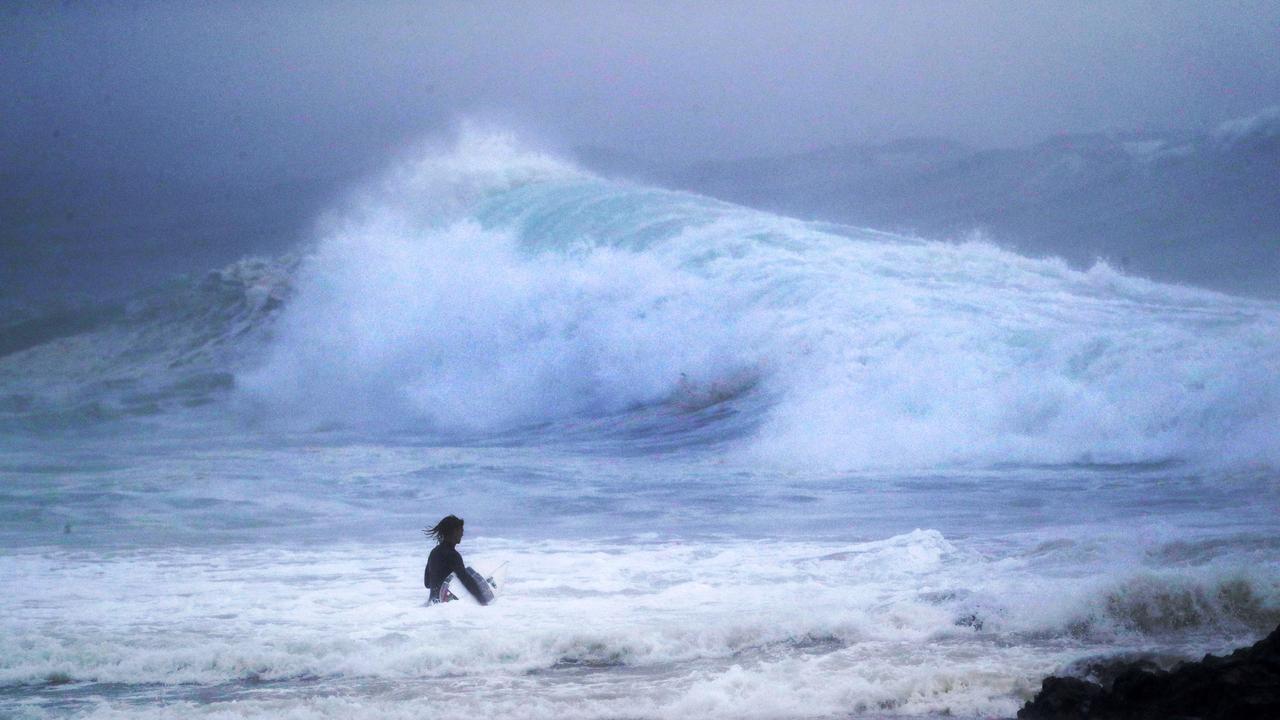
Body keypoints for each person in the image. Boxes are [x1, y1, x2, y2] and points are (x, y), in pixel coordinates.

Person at [423, 514, 490, 605]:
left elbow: (427, 583)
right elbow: (466, 580)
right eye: (461, 530)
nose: (462, 534)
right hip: (444, 609)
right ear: (454, 531)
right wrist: (482, 601)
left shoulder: (434, 552)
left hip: (431, 605)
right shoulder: (453, 555)